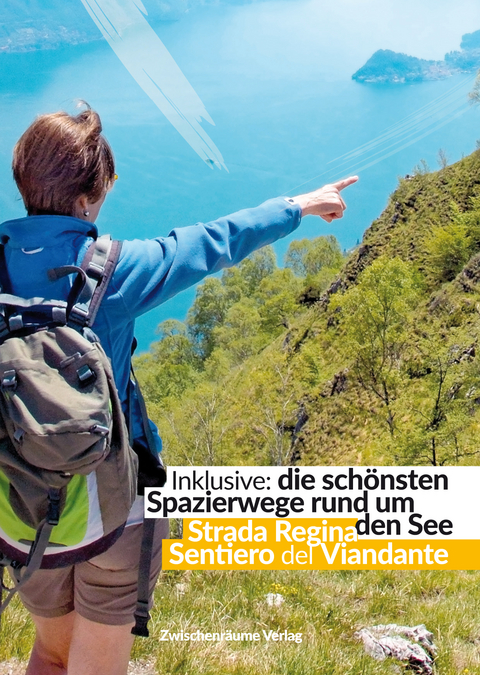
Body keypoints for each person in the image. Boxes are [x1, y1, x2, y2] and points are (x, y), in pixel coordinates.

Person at [1, 105, 357, 675]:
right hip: (115, 508)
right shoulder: (111, 271)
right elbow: (212, 241)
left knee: (49, 652)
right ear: (91, 196)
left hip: (19, 506)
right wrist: (300, 205)